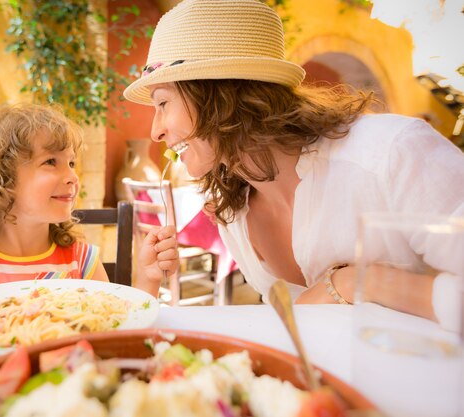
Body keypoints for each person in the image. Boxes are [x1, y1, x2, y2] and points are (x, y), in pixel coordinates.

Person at [123, 0, 464, 326]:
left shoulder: (392, 154)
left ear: (220, 96)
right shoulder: (233, 213)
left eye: (163, 103)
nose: (155, 132)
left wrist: (360, 284)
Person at [0, 103, 178, 298]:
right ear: (0, 178)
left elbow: (118, 331)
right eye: (50, 162)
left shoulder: (79, 258)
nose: (72, 177)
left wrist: (148, 278)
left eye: (71, 163)